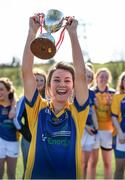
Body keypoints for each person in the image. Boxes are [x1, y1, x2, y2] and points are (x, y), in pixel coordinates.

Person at [21, 15, 89, 179]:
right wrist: (32, 32)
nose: (62, 84)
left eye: (67, 80)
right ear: (49, 85)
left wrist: (73, 35)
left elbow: (80, 74)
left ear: (73, 86)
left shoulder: (77, 113)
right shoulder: (38, 109)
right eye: (56, 80)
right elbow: (26, 73)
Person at [14, 68, 47, 178]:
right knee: (28, 171)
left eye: (41, 80)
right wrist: (27, 133)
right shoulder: (24, 99)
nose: (38, 83)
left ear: (45, 82)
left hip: (45, 142)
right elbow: (16, 119)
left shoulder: (49, 99)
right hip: (28, 141)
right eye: (36, 80)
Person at [87, 67, 115, 179]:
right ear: (96, 78)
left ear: (109, 79)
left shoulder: (113, 93)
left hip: (108, 130)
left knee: (107, 163)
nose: (103, 78)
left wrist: (110, 105)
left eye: (106, 77)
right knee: (92, 162)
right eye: (101, 76)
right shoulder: (91, 92)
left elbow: (116, 114)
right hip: (94, 130)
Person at [0, 77, 20, 179]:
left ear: (8, 91)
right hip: (0, 142)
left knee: (11, 174)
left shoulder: (17, 106)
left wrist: (13, 107)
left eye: (1, 89)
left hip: (13, 142)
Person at [81, 66, 98, 179]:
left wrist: (96, 127)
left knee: (84, 164)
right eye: (86, 75)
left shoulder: (92, 93)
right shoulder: (73, 92)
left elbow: (93, 111)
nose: (87, 78)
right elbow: (73, 114)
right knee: (74, 163)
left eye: (90, 76)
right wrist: (86, 127)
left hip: (90, 130)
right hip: (79, 130)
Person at [111, 71, 125, 179]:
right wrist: (120, 133)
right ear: (122, 82)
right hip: (122, 136)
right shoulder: (117, 97)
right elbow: (114, 116)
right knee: (120, 169)